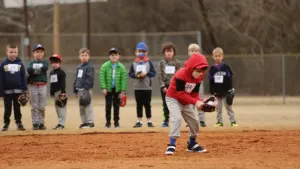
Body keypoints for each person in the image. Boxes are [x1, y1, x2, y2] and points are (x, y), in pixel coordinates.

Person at [164, 53, 209, 155]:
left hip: (186, 100)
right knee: (177, 118)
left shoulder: (199, 78)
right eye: (198, 70)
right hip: (173, 98)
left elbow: (194, 94)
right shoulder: (181, 74)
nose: (200, 73)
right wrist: (195, 102)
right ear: (192, 67)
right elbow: (180, 94)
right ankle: (171, 144)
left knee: (194, 121)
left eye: (202, 71)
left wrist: (200, 103)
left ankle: (192, 144)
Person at [128, 42, 156, 128]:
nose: (141, 53)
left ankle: (149, 121)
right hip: (137, 87)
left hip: (147, 87)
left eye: (143, 51)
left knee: (147, 104)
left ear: (146, 52)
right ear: (136, 52)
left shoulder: (149, 63)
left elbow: (154, 73)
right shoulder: (134, 63)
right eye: (139, 51)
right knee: (139, 104)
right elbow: (130, 74)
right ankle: (139, 120)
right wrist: (136, 75)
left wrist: (146, 73)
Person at [0, 44, 27, 131]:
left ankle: (19, 122)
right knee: (7, 108)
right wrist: (1, 91)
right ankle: (6, 123)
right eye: (11, 52)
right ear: (7, 52)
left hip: (18, 91)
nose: (13, 54)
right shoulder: (3, 64)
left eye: (15, 52)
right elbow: (1, 78)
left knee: (17, 108)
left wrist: (24, 89)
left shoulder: (20, 64)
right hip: (7, 91)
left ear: (17, 52)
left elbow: (23, 77)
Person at [208, 47, 237, 127]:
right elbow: (211, 80)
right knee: (218, 108)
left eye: (219, 56)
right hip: (217, 92)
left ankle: (233, 121)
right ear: (213, 57)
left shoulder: (226, 67)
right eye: (216, 56)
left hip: (226, 91)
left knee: (228, 107)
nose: (217, 57)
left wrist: (230, 89)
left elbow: (230, 78)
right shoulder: (212, 69)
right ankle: (219, 122)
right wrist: (211, 90)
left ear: (222, 56)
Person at [100, 48, 127, 128]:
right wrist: (103, 88)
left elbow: (123, 79)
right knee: (108, 106)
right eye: (112, 55)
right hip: (108, 89)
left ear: (118, 56)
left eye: (116, 55)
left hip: (117, 89)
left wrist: (123, 90)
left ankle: (116, 122)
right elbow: (102, 77)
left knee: (116, 106)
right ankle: (108, 122)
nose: (114, 57)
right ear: (109, 56)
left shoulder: (121, 67)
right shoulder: (105, 66)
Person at [157, 42, 180, 127]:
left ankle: (174, 120)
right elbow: (160, 75)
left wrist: (176, 86)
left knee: (174, 104)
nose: (169, 53)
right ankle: (166, 120)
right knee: (165, 104)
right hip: (165, 87)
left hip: (174, 87)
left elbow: (179, 75)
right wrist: (163, 86)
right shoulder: (161, 63)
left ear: (174, 52)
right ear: (164, 53)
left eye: (170, 51)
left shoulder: (176, 63)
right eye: (167, 51)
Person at [27, 44, 48, 130]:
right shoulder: (30, 62)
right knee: (34, 105)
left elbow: (45, 68)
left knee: (42, 106)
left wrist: (34, 71)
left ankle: (41, 123)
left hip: (43, 85)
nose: (39, 53)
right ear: (33, 53)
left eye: (41, 52)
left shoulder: (45, 62)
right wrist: (39, 70)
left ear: (43, 53)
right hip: (33, 86)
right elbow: (29, 70)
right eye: (37, 52)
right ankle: (35, 123)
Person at [73, 48, 95, 129]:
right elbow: (77, 78)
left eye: (86, 55)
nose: (84, 57)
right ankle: (85, 122)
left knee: (88, 106)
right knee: (81, 107)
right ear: (79, 57)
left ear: (89, 56)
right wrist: (75, 90)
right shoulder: (79, 67)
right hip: (79, 89)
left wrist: (86, 88)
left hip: (86, 89)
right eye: (82, 55)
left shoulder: (89, 67)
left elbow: (90, 79)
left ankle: (90, 122)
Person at [187, 43, 206, 127]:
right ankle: (191, 121)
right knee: (190, 103)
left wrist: (198, 80)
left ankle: (201, 120)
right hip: (189, 85)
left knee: (200, 101)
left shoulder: (201, 63)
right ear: (188, 53)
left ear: (199, 52)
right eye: (192, 51)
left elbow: (203, 73)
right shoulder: (187, 63)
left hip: (198, 84)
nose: (194, 52)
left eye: (196, 51)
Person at [49, 54, 67, 130]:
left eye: (56, 62)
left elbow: (63, 83)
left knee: (61, 108)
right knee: (57, 108)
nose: (54, 64)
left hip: (60, 92)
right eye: (53, 62)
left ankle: (61, 124)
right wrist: (51, 92)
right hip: (55, 93)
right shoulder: (51, 73)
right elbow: (52, 83)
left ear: (60, 63)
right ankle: (59, 123)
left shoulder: (61, 73)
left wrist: (63, 92)